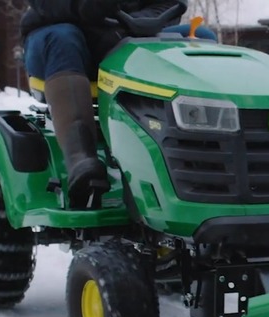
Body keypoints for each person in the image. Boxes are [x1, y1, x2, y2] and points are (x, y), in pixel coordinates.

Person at [20, 0, 216, 209]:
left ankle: (202, 158)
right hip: (57, 31)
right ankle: (80, 159)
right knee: (64, 38)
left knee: (200, 39)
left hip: (124, 32)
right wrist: (81, 7)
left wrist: (140, 20)